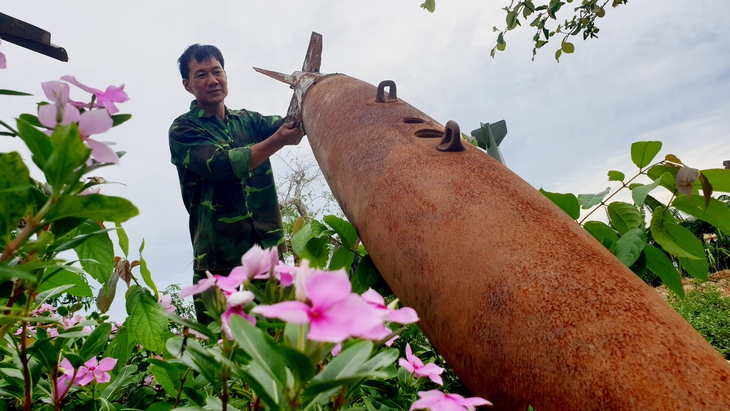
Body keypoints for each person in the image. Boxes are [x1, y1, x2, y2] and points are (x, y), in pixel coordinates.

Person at [169, 44, 304, 322]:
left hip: (267, 253)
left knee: (277, 337)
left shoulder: (249, 121)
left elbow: (294, 123)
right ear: (187, 85)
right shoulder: (184, 130)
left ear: (226, 75)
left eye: (217, 71)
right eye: (201, 74)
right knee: (221, 346)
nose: (212, 80)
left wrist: (311, 89)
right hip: (219, 260)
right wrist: (279, 140)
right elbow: (222, 164)